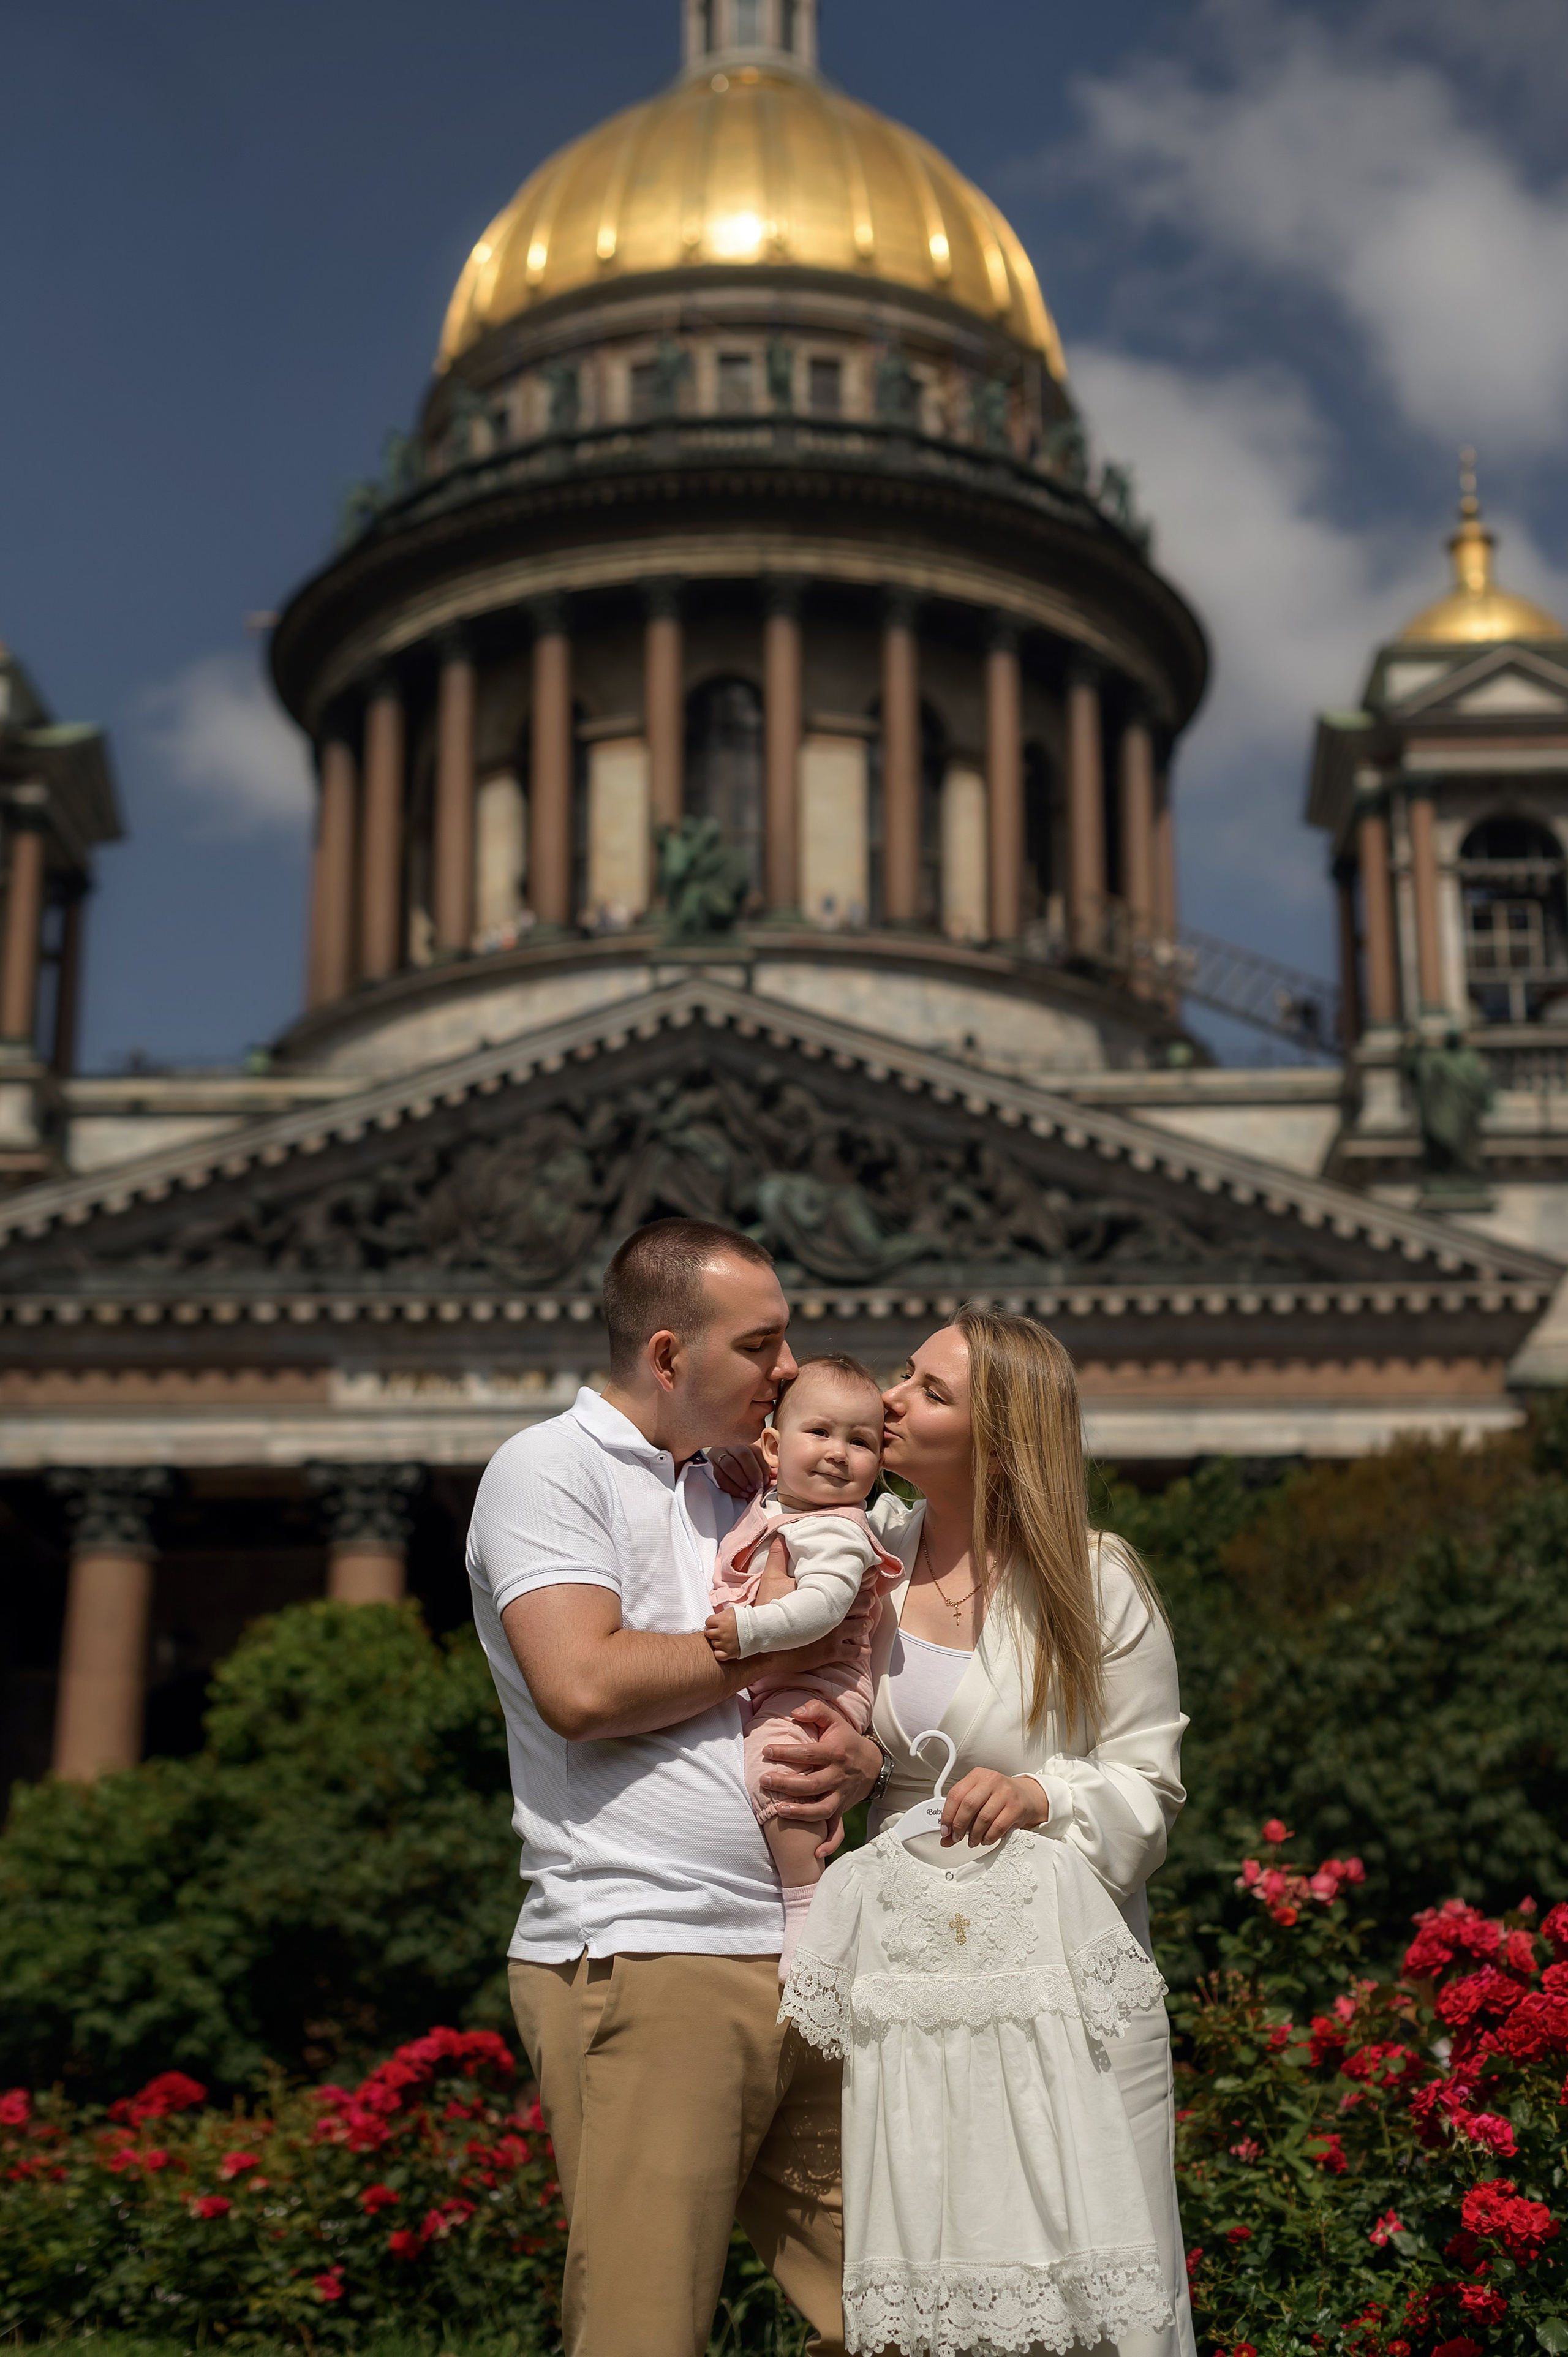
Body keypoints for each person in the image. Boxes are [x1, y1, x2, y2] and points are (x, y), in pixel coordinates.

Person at [466, 1218, 879, 2357]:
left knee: (918, 2305)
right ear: (665, 1354)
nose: (787, 1369)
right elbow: (584, 1686)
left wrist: (865, 1756)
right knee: (643, 2333)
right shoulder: (548, 1467)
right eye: (760, 1345)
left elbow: (834, 1669)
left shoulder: (743, 1478)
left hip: (807, 1953)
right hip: (649, 1952)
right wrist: (774, 1641)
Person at [859, 1304, 1197, 2357]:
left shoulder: (1095, 1579)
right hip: (907, 1980)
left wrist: (1044, 1796)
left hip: (1067, 1992)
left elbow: (1152, 1785)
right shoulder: (861, 1551)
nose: (889, 1398)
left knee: (1095, 2289)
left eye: (929, 1390)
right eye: (903, 1372)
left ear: (1000, 1443)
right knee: (933, 2279)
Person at [703, 1354, 905, 1977]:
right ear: (774, 1446)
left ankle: (808, 1905)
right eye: (819, 1432)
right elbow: (731, 1458)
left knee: (778, 1771)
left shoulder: (837, 1530)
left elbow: (822, 1607)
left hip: (820, 1686)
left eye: (860, 1441)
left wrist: (750, 1631)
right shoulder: (775, 1498)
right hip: (782, 1680)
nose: (838, 1453)